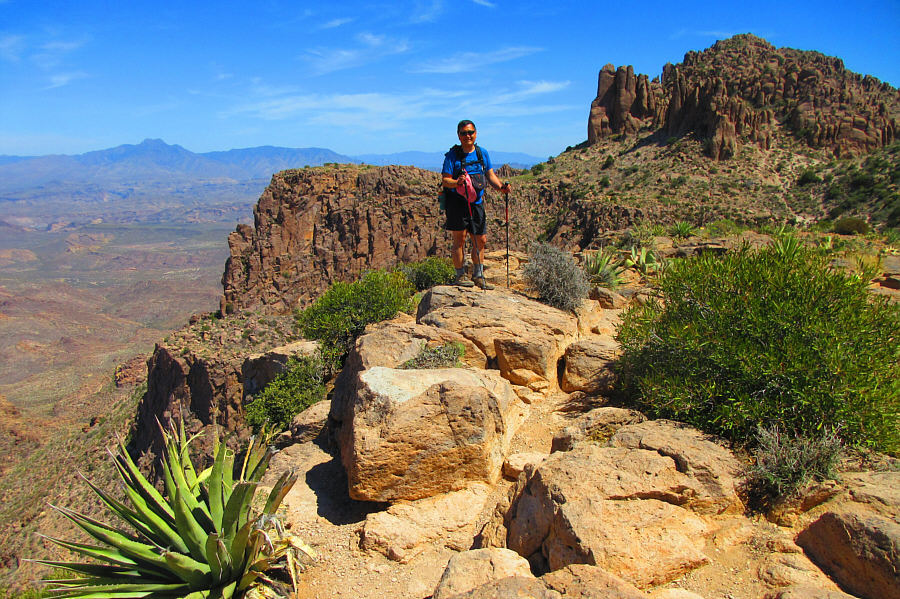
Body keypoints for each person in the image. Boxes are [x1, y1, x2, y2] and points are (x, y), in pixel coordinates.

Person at [441, 120, 511, 289]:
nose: (468, 136)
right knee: (460, 239)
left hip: (476, 203)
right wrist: (456, 182)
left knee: (480, 239)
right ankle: (460, 275)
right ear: (459, 135)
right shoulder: (453, 156)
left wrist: (501, 187)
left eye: (470, 132)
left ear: (476, 133)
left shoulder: (481, 153)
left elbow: (490, 175)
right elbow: (445, 180)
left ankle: (478, 275)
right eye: (464, 133)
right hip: (457, 203)